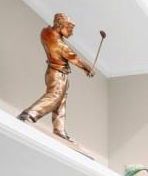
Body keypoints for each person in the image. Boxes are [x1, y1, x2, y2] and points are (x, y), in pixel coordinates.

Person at [17, 13, 94, 141]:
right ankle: (28, 115)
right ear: (61, 25)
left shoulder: (46, 32)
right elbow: (73, 57)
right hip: (57, 74)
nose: (72, 33)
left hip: (54, 71)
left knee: (60, 101)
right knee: (54, 97)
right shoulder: (59, 43)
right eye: (70, 29)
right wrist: (87, 68)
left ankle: (59, 131)